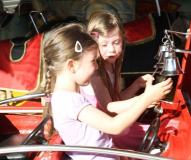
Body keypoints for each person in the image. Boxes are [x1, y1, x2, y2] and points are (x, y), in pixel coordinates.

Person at [43, 22, 173, 160]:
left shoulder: (68, 97)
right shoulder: (69, 101)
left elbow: (96, 139)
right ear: (72, 65)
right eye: (93, 61)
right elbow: (114, 126)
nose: (97, 67)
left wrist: (123, 156)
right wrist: (146, 98)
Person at [80, 12, 159, 151]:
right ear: (93, 44)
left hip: (120, 127)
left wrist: (136, 85)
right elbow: (109, 108)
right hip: (105, 134)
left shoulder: (113, 64)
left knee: (163, 134)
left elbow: (117, 99)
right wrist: (144, 99)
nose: (112, 50)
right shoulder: (95, 74)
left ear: (123, 40)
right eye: (104, 45)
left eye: (116, 43)